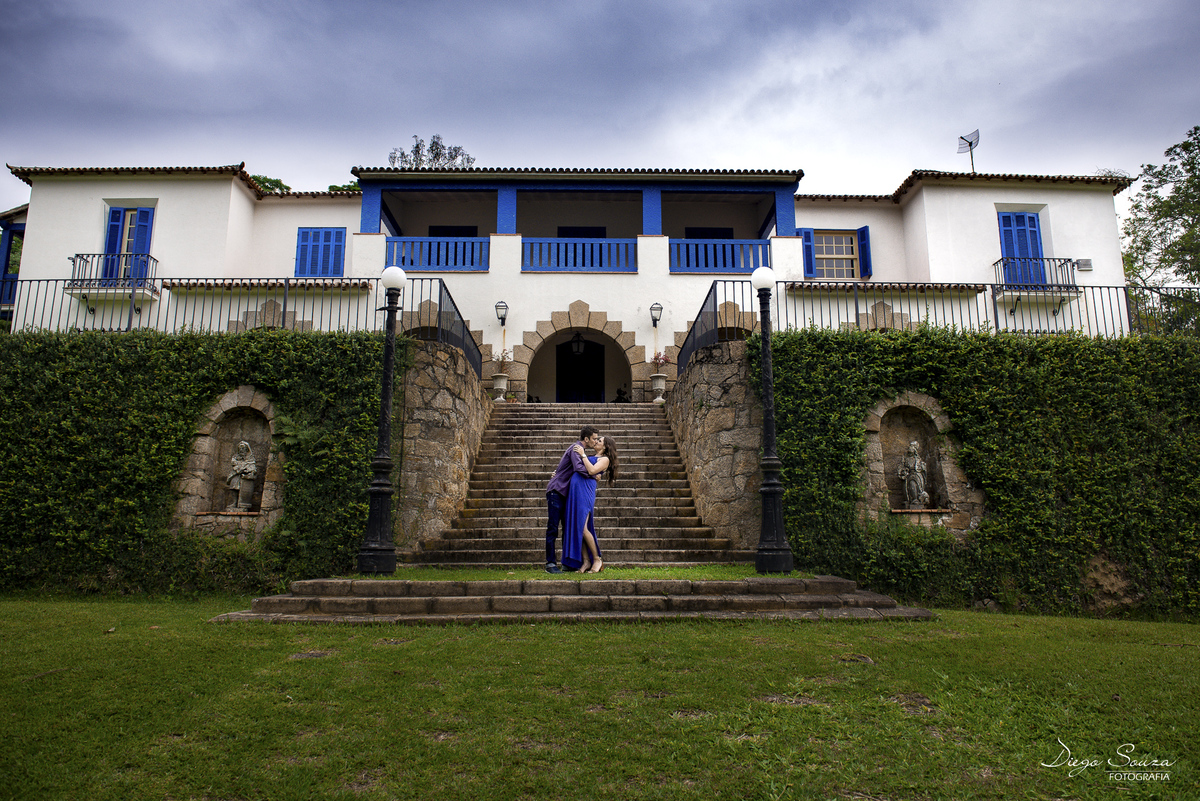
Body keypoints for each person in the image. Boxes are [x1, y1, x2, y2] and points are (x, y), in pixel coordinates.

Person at [543, 426, 601, 573]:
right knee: (553, 528)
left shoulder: (580, 451)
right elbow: (578, 468)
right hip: (557, 491)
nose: (596, 441)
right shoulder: (576, 448)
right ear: (586, 439)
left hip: (565, 493)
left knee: (566, 528)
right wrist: (594, 475)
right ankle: (550, 564)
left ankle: (566, 563)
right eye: (594, 438)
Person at [564, 435, 619, 573]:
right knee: (578, 527)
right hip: (576, 492)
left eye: (599, 441)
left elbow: (592, 471)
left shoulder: (605, 459)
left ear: (605, 446)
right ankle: (586, 561)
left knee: (583, 527)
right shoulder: (590, 455)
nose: (596, 442)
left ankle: (596, 559)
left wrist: (583, 455)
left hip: (586, 492)